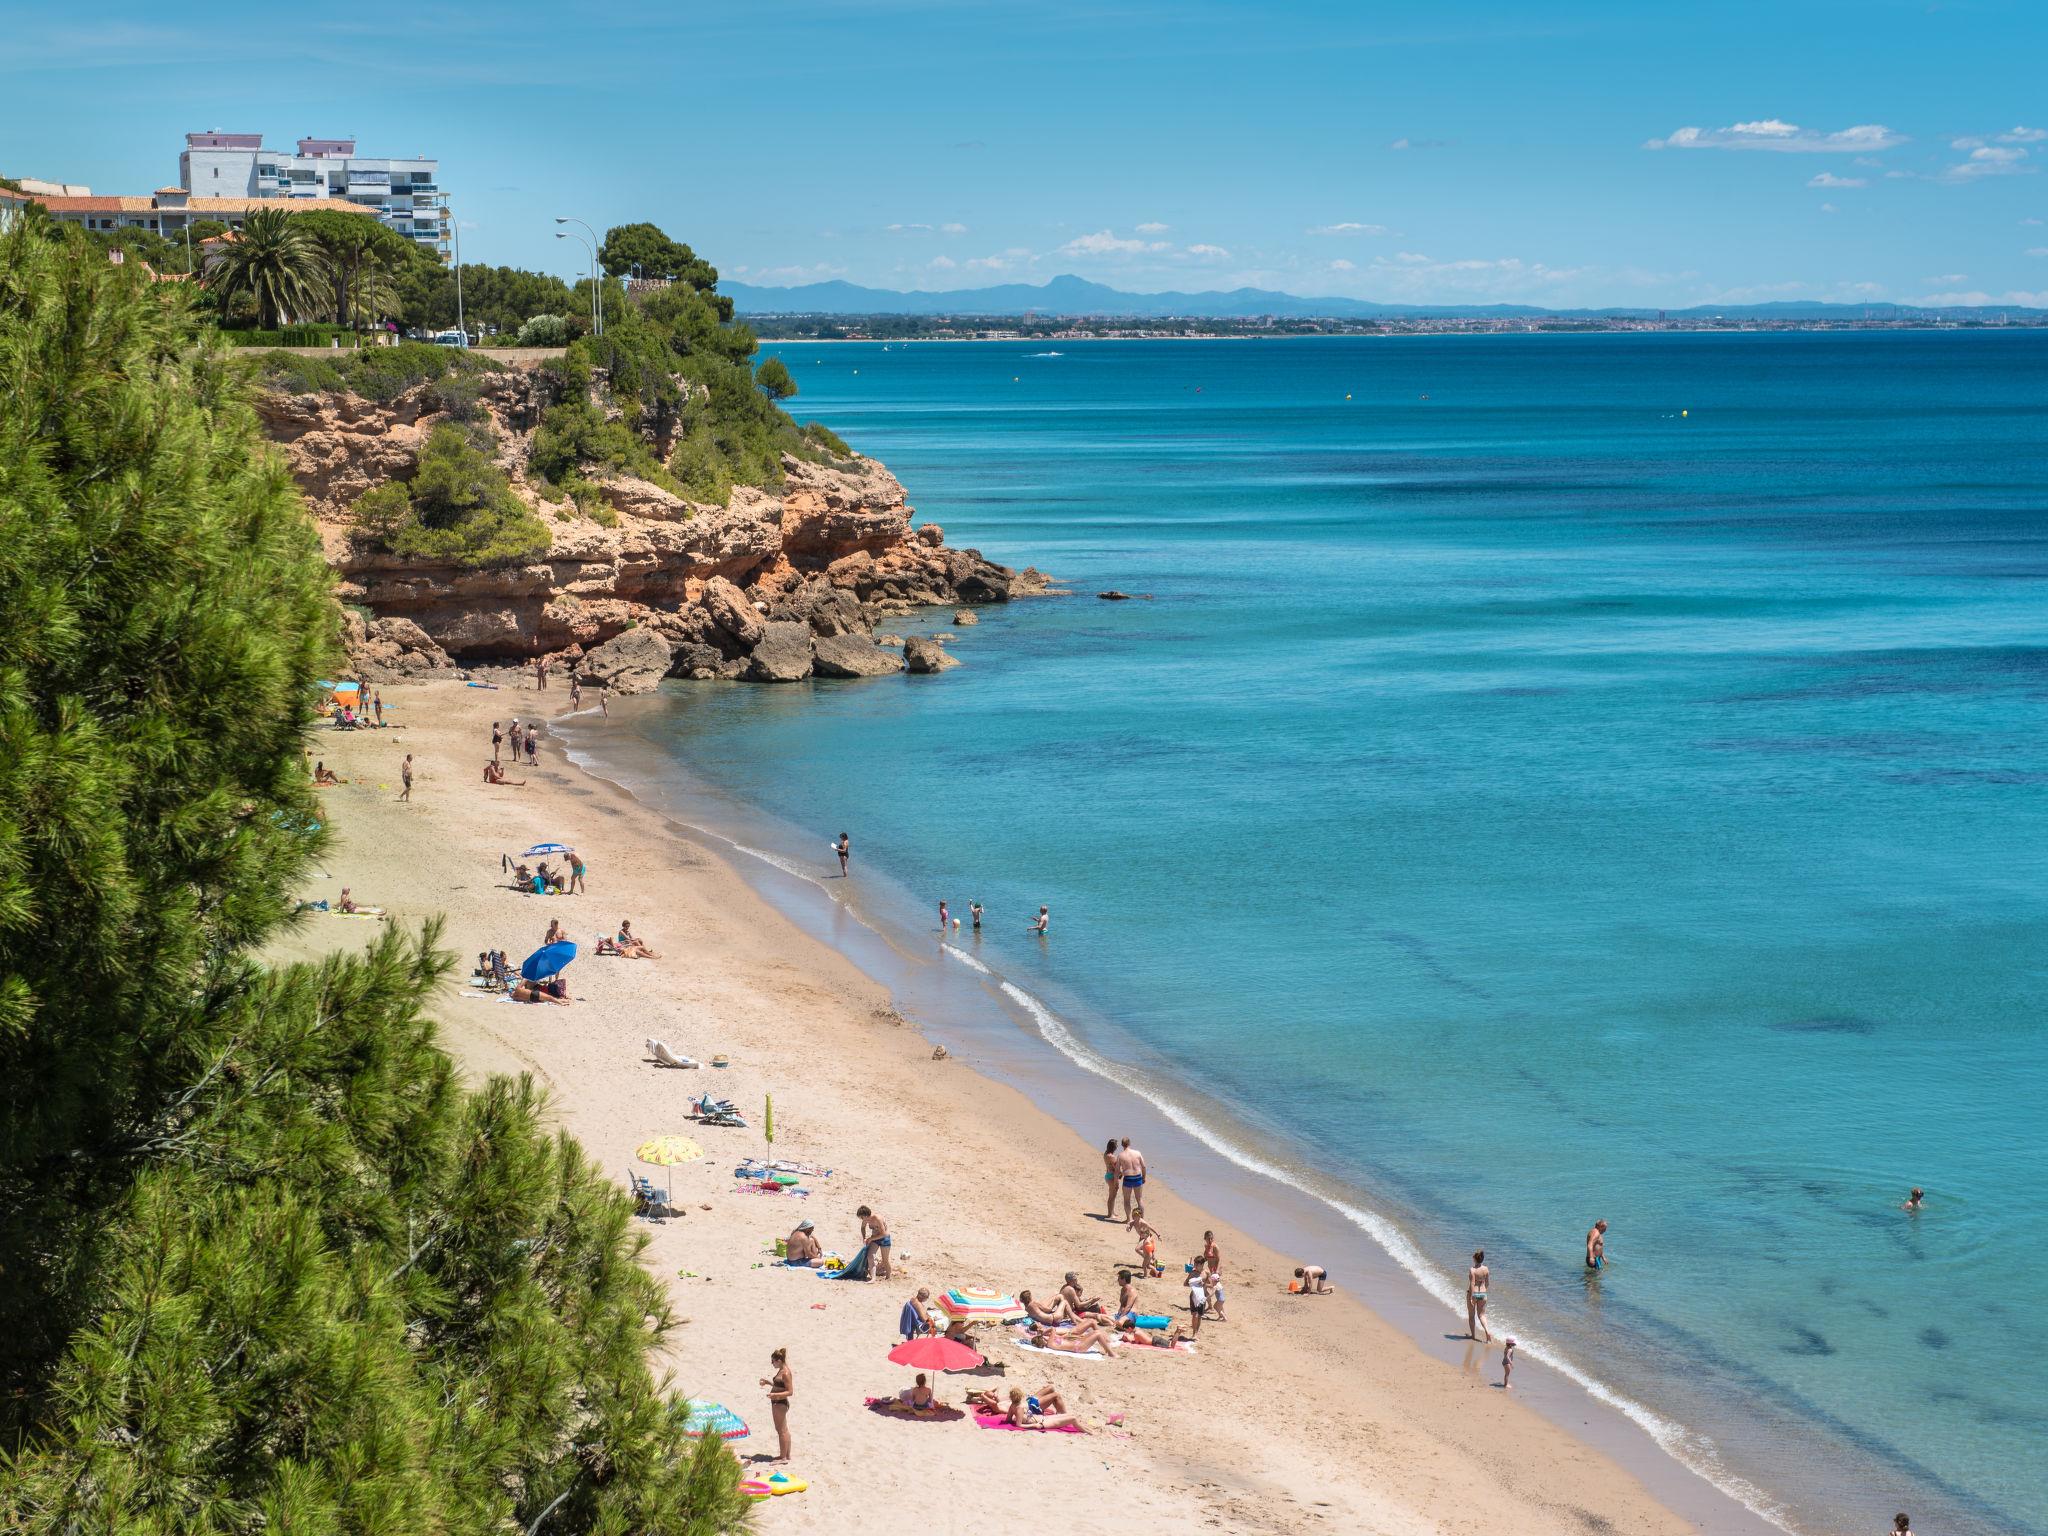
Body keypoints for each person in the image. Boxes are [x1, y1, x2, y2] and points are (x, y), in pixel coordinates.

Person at [760, 1348, 792, 1464]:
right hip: (778, 1402)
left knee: (781, 1430)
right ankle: (786, 1455)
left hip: (780, 1403)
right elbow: (780, 1385)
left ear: (779, 1360)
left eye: (773, 1361)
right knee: (784, 1429)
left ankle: (783, 1458)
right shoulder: (782, 1370)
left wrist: (775, 1395)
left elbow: (790, 1391)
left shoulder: (786, 1372)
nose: (772, 1363)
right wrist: (768, 1383)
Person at [1006, 1385, 1085, 1429]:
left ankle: (1062, 1415)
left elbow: (1008, 1419)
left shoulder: (1013, 1404)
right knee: (1056, 1395)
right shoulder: (1018, 1407)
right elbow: (1017, 1423)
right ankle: (1063, 1415)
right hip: (1032, 1408)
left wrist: (1014, 1418)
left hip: (1029, 1402)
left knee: (1050, 1388)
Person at [1026, 1323, 1119, 1360]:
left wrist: (1043, 1336)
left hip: (1078, 1343)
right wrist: (1042, 1334)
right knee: (1098, 1334)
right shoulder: (1050, 1344)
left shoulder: (1050, 1343)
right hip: (1079, 1347)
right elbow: (1052, 1329)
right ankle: (1111, 1353)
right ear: (1042, 1339)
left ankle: (1106, 1350)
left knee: (1096, 1332)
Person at [857, 1205, 893, 1280]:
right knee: (870, 1256)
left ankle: (888, 1277)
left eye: (862, 1217)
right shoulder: (865, 1220)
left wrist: (870, 1238)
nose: (861, 1219)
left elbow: (884, 1234)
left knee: (885, 1260)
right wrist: (864, 1237)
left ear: (866, 1215)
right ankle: (873, 1278)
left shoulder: (877, 1218)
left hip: (884, 1239)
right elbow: (863, 1228)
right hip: (874, 1238)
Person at [1117, 1138, 1147, 1221]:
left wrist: (1119, 1176)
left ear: (1122, 1145)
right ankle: (1141, 1219)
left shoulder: (1120, 1155)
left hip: (1128, 1178)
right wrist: (1144, 1177)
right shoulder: (1137, 1153)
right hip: (1138, 1177)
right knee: (1139, 1199)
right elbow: (1143, 1166)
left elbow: (1117, 1170)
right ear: (1129, 1143)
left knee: (1127, 1200)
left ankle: (1128, 1219)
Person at [1467, 1250, 1492, 1343]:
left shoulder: (1472, 1270)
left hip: (1474, 1293)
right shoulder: (1486, 1269)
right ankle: (1487, 1331)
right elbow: (1487, 1283)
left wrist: (1471, 1297)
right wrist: (1484, 1291)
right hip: (1483, 1293)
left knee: (1471, 1315)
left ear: (1474, 1258)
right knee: (1481, 1315)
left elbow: (1472, 1284)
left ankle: (1473, 1336)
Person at [1130, 1211, 1162, 1277]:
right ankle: (1156, 1268)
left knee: (1147, 1254)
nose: (1136, 1217)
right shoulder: (1133, 1222)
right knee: (1147, 1254)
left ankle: (1155, 1267)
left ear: (1140, 1216)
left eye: (1137, 1216)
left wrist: (1158, 1235)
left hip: (1148, 1237)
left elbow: (1150, 1228)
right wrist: (1128, 1227)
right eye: (1134, 1216)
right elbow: (1130, 1224)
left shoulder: (1143, 1222)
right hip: (1143, 1237)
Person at [1185, 1260, 1208, 1336]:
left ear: (1202, 1265)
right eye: (1194, 1264)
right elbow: (1185, 1283)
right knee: (1195, 1315)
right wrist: (1192, 1284)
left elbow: (1211, 1284)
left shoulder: (1206, 1273)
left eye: (1196, 1265)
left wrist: (1204, 1284)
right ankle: (1194, 1333)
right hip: (1194, 1296)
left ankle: (1196, 1332)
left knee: (1199, 1316)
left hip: (1202, 1297)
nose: (1195, 1266)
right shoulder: (1192, 1273)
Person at [1102, 1138, 1122, 1218]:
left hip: (1108, 1175)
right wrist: (1122, 1173)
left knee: (1112, 1195)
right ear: (1113, 1147)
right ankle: (1110, 1214)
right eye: (1116, 1146)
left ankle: (1112, 1212)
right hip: (1112, 1177)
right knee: (1112, 1195)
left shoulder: (1105, 1153)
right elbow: (1116, 1169)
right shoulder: (1112, 1156)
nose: (1117, 1147)